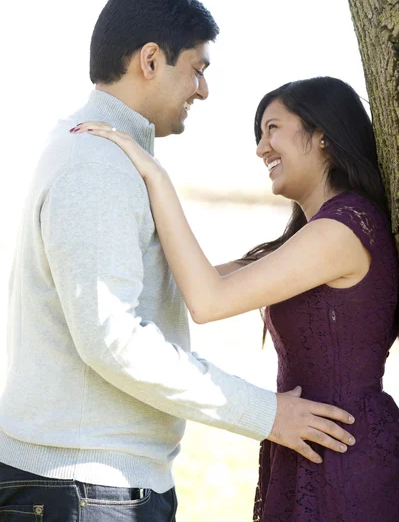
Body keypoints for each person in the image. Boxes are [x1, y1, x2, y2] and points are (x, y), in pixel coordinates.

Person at [0, 0, 355, 522]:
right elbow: (113, 338)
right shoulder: (95, 164)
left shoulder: (104, 156)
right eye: (197, 68)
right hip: (85, 488)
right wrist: (267, 414)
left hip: (94, 486)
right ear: (149, 60)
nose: (203, 90)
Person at [74, 75, 399, 522]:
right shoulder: (312, 237)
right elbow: (186, 283)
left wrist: (154, 174)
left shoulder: (343, 229)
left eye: (273, 129)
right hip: (307, 438)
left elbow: (209, 301)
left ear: (322, 134)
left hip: (343, 448)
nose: (261, 148)